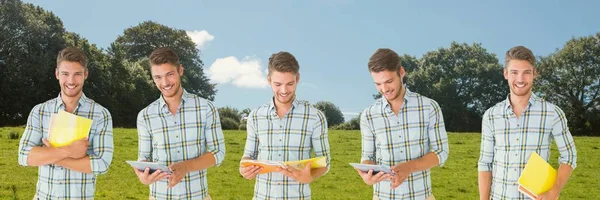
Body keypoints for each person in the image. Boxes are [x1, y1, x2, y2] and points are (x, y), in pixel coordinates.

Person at [478, 46, 577, 200]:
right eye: (514, 72)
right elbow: (485, 163)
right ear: (505, 74)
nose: (520, 79)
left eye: (526, 72)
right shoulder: (491, 116)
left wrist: (554, 191)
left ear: (534, 74)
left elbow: (569, 156)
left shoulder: (552, 113)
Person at [18, 47, 114, 200]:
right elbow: (24, 156)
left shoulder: (101, 114)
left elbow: (102, 164)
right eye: (65, 74)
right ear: (57, 74)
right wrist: (69, 151)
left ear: (86, 74)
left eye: (77, 74)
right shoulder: (40, 111)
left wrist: (50, 155)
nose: (71, 81)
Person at [134, 47, 226, 200]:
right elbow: (143, 157)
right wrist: (143, 177)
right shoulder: (145, 116)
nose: (165, 83)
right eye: (158, 77)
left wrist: (186, 166)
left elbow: (218, 153)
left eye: (169, 74)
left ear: (180, 70)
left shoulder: (205, 108)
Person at [358, 48, 449, 200]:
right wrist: (367, 176)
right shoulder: (369, 115)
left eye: (389, 81)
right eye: (378, 84)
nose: (384, 89)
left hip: (421, 196)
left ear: (401, 72)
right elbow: (367, 156)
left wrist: (410, 166)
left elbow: (442, 152)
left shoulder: (428, 107)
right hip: (382, 196)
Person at [239, 51, 331, 199]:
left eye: (290, 84)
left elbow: (324, 161)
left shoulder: (315, 117)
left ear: (298, 79)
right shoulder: (255, 116)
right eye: (277, 84)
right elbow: (248, 156)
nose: (283, 91)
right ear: (269, 80)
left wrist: (310, 177)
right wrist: (244, 169)